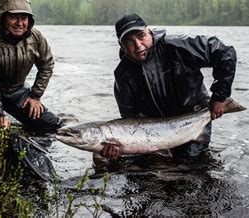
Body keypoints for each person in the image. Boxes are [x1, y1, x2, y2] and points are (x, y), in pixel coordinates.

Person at [100, 13, 237, 161]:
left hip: (192, 121)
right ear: (121, 45)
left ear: (149, 32)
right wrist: (118, 148)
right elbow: (129, 119)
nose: (138, 45)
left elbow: (225, 53)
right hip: (153, 134)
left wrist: (219, 97)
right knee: (142, 170)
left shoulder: (178, 46)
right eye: (129, 41)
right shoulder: (122, 75)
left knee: (189, 167)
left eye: (141, 36)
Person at [0, 0, 60, 132]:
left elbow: (47, 64)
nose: (20, 23)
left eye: (24, 18)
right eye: (14, 17)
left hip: (17, 92)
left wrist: (35, 96)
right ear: (3, 17)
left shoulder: (36, 37)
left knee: (52, 124)